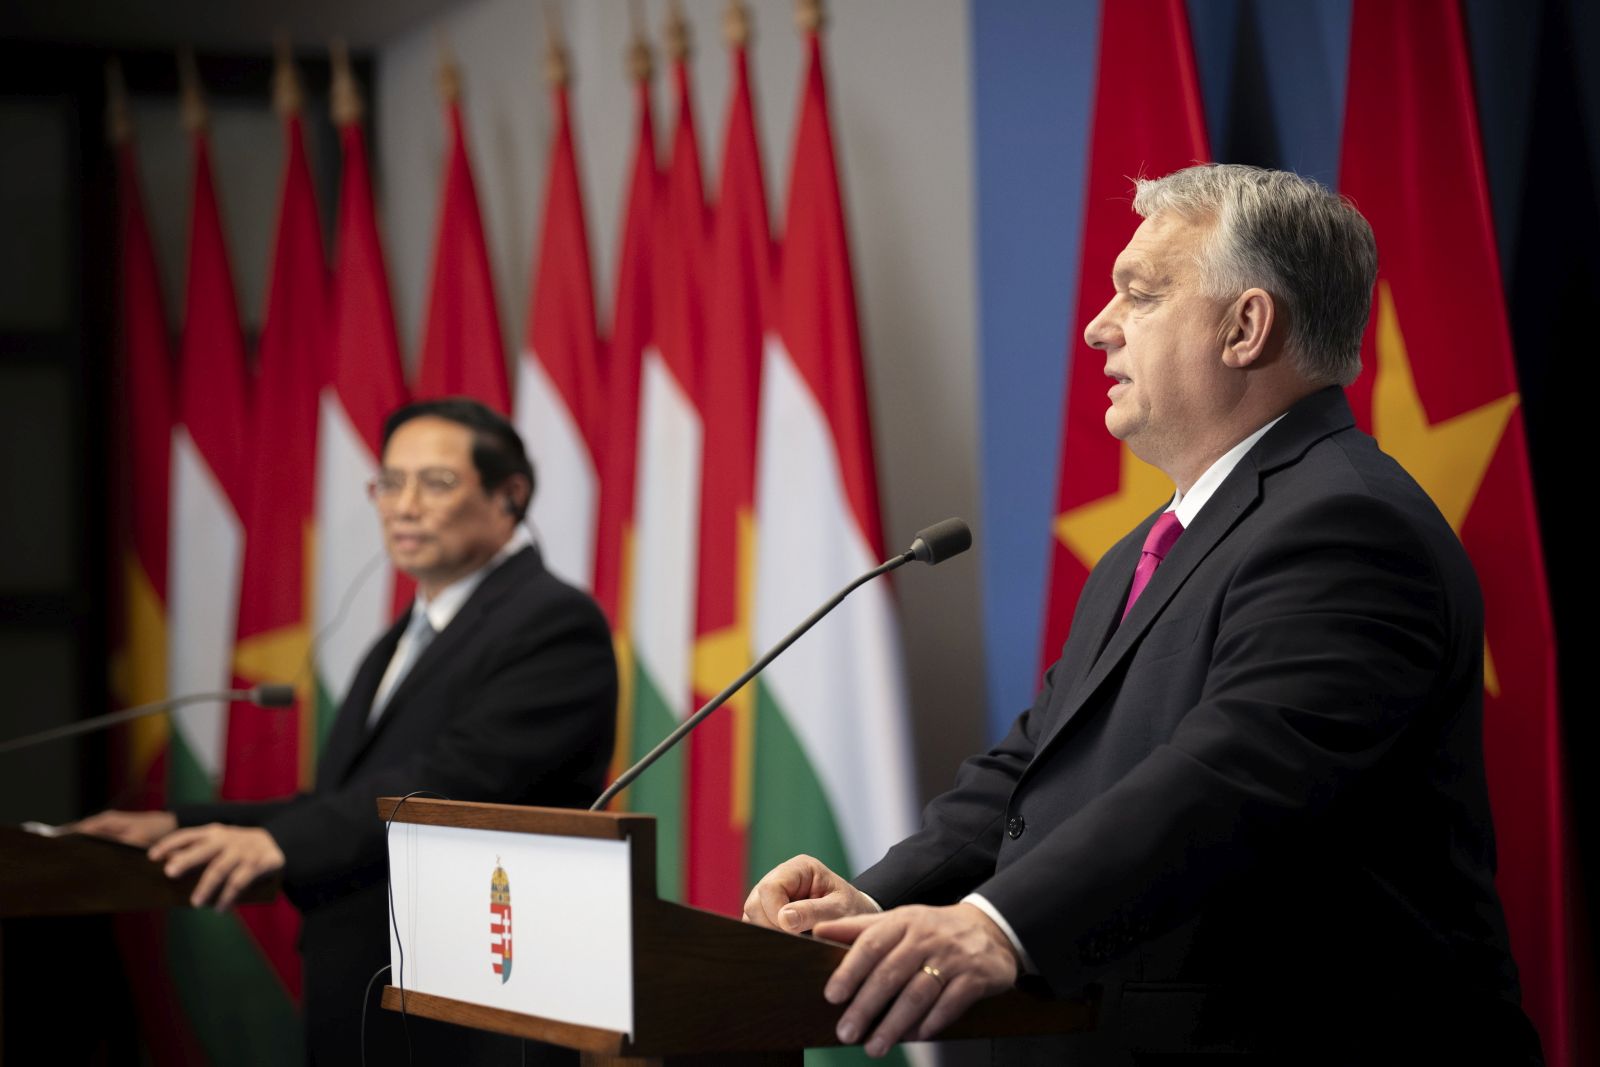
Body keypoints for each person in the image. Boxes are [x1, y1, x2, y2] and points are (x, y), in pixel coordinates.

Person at [743, 165, 1542, 1064]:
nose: (1097, 325)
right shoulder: (1147, 547)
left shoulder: (1346, 524)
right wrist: (875, 897)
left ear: (1245, 327)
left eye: (1142, 294)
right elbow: (1032, 770)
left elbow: (1234, 775)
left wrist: (998, 924)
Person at [80, 397, 617, 1065]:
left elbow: (449, 788)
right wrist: (178, 823)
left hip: (471, 1006)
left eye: (436, 482)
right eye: (389, 482)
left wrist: (278, 841)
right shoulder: (403, 636)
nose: (403, 504)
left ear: (510, 495)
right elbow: (355, 795)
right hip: (368, 990)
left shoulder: (553, 623)